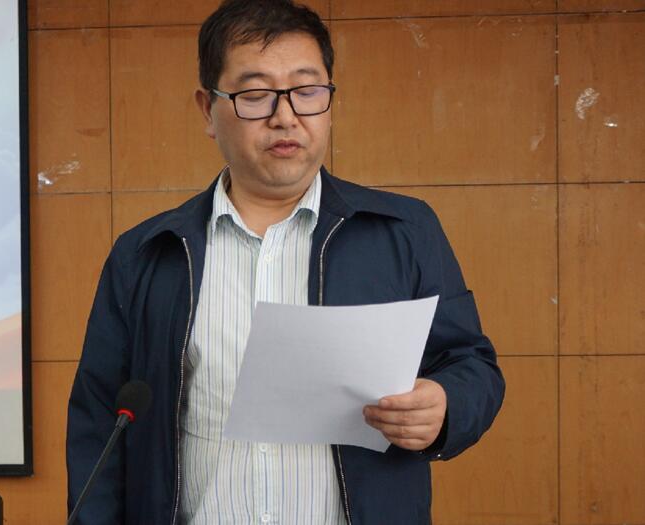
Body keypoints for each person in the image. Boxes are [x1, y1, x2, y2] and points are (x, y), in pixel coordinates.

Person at [66, 1, 505, 523]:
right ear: (207, 110)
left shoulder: (403, 231)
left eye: (307, 90)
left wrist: (446, 403)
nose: (285, 116)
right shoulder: (147, 253)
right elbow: (99, 423)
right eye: (255, 95)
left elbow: (472, 364)